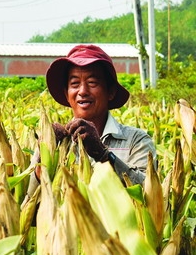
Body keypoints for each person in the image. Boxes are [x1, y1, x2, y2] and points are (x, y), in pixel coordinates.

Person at [36, 44, 156, 186]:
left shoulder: (136, 140)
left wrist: (102, 154)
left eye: (92, 82)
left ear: (110, 91)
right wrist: (42, 154)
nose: (83, 91)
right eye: (74, 83)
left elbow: (149, 192)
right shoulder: (57, 142)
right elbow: (30, 196)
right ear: (66, 95)